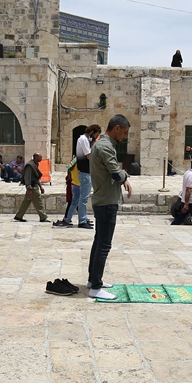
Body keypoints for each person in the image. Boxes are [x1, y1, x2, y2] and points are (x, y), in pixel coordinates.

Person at [88, 115, 133, 300]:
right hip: (106, 202)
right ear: (116, 128)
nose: (125, 137)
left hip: (103, 199)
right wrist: (124, 176)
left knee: (99, 241)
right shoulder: (105, 146)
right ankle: (95, 287)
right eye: (124, 132)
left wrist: (122, 175)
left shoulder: (103, 145)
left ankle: (93, 280)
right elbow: (115, 173)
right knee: (104, 244)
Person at [74, 125, 99, 227]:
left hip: (86, 172)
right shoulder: (83, 140)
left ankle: (84, 218)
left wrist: (93, 143)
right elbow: (89, 155)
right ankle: (82, 221)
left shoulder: (84, 140)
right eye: (96, 135)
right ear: (92, 132)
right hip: (85, 173)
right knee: (83, 199)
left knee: (84, 197)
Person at [14, 153, 49, 222]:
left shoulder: (35, 164)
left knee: (26, 202)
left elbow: (35, 178)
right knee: (38, 201)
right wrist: (29, 188)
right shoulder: (30, 165)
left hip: (34, 185)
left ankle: (19, 216)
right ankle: (43, 217)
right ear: (35, 157)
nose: (41, 158)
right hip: (32, 187)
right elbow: (27, 177)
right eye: (40, 157)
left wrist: (40, 186)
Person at [171, 157, 192, 226]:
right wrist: (186, 204)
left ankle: (173, 225)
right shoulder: (191, 176)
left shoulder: (188, 173)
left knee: (181, 217)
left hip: (188, 201)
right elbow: (188, 190)